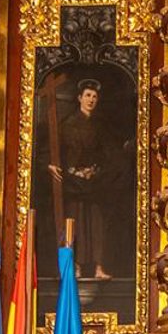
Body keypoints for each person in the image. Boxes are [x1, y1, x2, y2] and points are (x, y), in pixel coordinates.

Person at [51, 78, 117, 280]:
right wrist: (51, 165)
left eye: (95, 96)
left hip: (95, 182)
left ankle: (98, 267)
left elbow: (109, 154)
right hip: (73, 182)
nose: (91, 100)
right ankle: (75, 266)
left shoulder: (101, 126)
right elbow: (56, 151)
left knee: (96, 224)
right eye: (88, 95)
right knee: (75, 223)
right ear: (79, 98)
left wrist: (96, 171)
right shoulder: (67, 124)